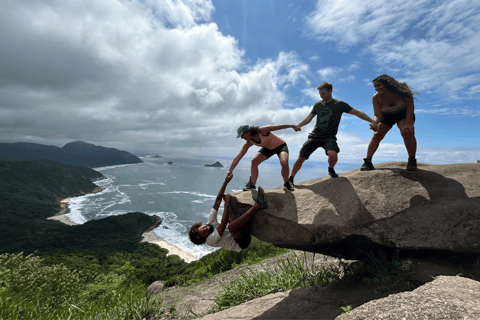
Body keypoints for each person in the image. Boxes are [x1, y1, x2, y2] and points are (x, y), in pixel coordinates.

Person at [289, 82, 376, 182]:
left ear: (330, 91)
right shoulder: (318, 105)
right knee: (301, 157)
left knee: (333, 154)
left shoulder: (339, 105)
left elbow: (357, 112)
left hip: (329, 137)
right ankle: (291, 178)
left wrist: (372, 121)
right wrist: (299, 125)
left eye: (324, 93)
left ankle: (330, 169)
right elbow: (309, 118)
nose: (322, 96)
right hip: (314, 136)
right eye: (320, 94)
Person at [188, 175, 267, 251]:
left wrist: (226, 182)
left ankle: (250, 192)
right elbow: (223, 225)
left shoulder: (210, 222)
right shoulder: (209, 241)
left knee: (228, 202)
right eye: (205, 233)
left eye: (203, 228)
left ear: (200, 226)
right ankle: (257, 205)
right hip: (242, 242)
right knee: (231, 225)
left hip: (240, 229)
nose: (206, 229)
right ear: (205, 238)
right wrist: (226, 204)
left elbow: (217, 201)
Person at [360, 74, 418, 171]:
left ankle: (412, 160)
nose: (376, 88)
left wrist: (408, 123)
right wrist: (374, 123)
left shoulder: (403, 90)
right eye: (375, 86)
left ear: (387, 84)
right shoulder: (376, 97)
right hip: (387, 115)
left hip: (404, 114)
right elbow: (378, 115)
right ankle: (368, 161)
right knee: (377, 134)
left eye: (379, 85)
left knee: (407, 132)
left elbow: (410, 107)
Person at [227, 124, 297, 191]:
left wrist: (293, 126)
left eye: (242, 135)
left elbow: (279, 127)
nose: (242, 137)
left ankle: (286, 183)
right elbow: (238, 157)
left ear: (247, 132)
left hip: (280, 145)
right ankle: (252, 185)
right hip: (268, 148)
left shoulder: (262, 130)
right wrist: (230, 171)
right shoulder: (248, 142)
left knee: (284, 161)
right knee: (254, 161)